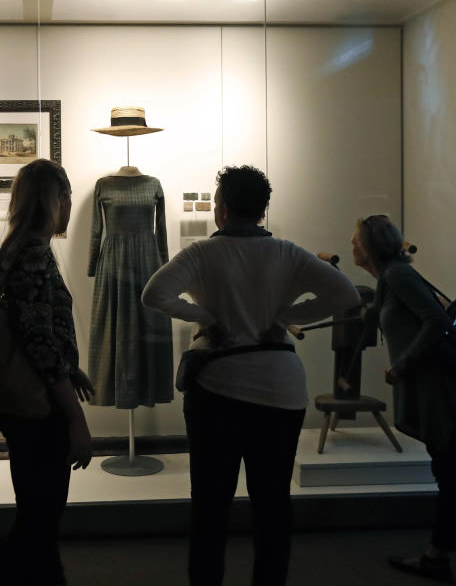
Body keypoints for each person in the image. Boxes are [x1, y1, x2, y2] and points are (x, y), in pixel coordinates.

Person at [141, 165, 360, 586]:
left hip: (218, 386)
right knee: (273, 502)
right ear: (262, 210)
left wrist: (206, 316)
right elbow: (345, 295)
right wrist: (287, 315)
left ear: (221, 210)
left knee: (210, 503)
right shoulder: (288, 252)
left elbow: (155, 294)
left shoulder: (203, 253)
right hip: (281, 385)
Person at [351, 214, 456, 586]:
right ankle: (436, 557)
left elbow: (436, 321)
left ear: (370, 246)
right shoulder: (390, 279)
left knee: (455, 481)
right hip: (435, 392)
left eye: (356, 241)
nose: (351, 246)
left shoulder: (398, 276)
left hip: (441, 394)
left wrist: (403, 365)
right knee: (450, 476)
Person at [0, 159, 95, 586]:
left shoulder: (19, 248)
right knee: (43, 510)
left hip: (22, 395)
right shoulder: (34, 254)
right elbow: (39, 341)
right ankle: (11, 572)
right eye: (66, 197)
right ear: (56, 199)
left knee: (35, 507)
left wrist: (72, 367)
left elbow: (34, 331)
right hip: (36, 401)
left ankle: (12, 571)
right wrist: (76, 419)